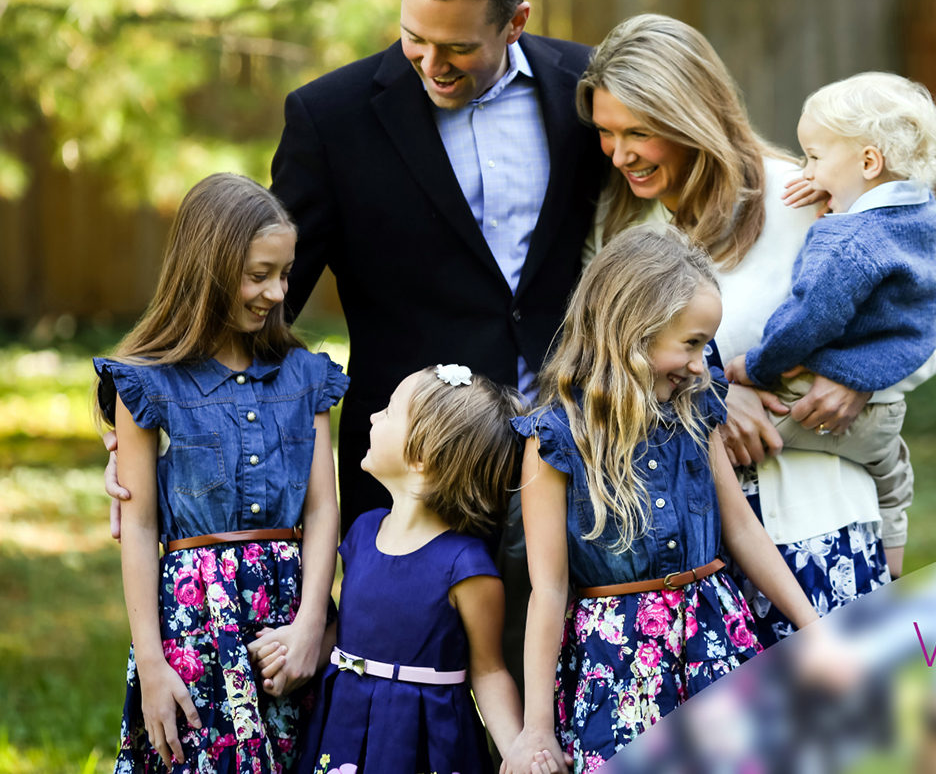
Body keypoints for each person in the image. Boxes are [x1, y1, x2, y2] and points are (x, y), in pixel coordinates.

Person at [104, 0, 609, 678]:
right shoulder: (329, 118)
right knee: (419, 693)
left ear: (516, 21)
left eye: (457, 48)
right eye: (415, 38)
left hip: (579, 450)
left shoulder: (586, 90)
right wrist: (133, 416)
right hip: (412, 474)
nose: (431, 64)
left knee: (572, 680)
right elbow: (259, 304)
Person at [575, 14, 936, 646]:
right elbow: (599, 372)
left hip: (814, 528)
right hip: (689, 556)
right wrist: (713, 402)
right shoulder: (624, 231)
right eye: (607, 133)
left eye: (640, 133)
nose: (621, 154)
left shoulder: (807, 198)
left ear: (690, 120)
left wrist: (853, 380)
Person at [510, 227, 819, 772]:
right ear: (633, 332)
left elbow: (742, 529)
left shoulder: (695, 415)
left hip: (715, 636)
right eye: (692, 343)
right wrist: (536, 726)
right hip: (620, 662)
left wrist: (814, 627)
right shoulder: (555, 441)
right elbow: (549, 589)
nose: (703, 365)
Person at [93, 173, 346, 773]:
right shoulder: (145, 383)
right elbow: (140, 525)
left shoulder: (306, 376)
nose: (278, 292)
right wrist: (152, 664)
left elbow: (320, 507)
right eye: (259, 275)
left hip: (290, 622)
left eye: (284, 274)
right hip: (194, 627)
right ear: (207, 268)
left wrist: (313, 621)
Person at [725, 72, 936, 552]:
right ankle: (892, 542)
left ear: (869, 161)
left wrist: (756, 367)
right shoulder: (922, 213)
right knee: (888, 467)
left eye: (814, 157)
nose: (805, 172)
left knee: (716, 436)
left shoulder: (848, 242)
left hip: (815, 404)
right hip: (884, 409)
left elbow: (809, 317)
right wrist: (839, 196)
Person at [282, 364, 538, 774]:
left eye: (388, 411)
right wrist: (290, 653)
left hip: (423, 740)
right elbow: (345, 630)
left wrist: (516, 750)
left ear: (421, 455)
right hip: (345, 727)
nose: (371, 416)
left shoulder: (467, 567)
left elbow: (488, 670)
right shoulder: (363, 531)